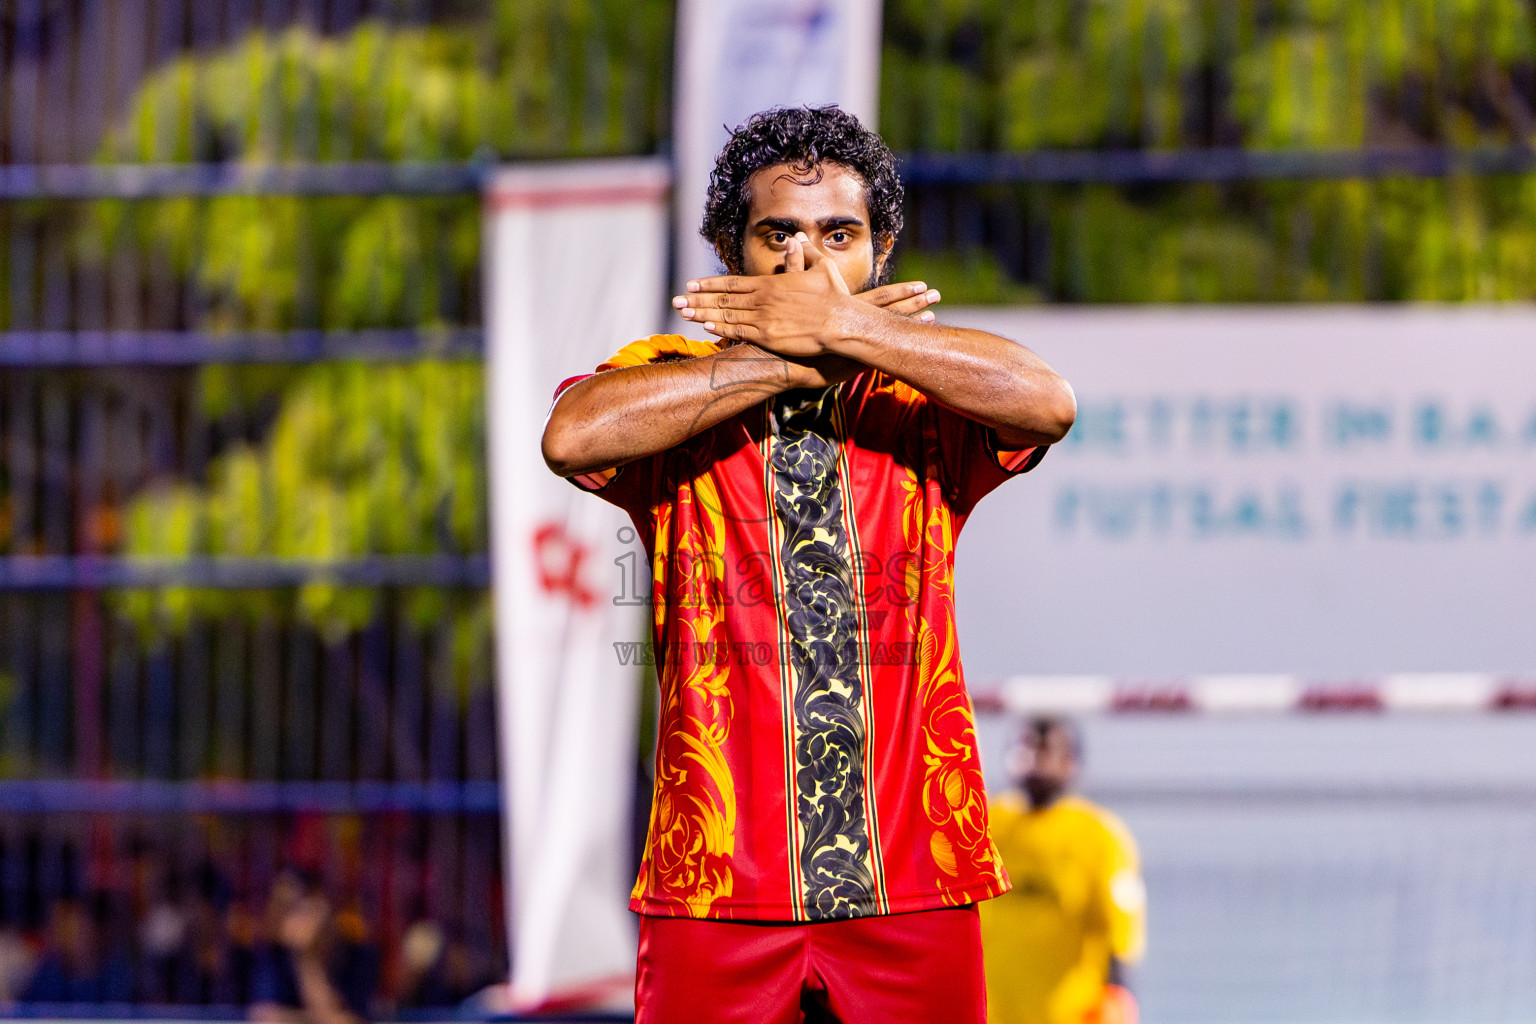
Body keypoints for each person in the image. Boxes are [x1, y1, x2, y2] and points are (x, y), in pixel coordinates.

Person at [542, 105, 1076, 1023]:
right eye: (776, 236)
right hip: (714, 886)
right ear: (726, 252)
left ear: (883, 250)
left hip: (917, 879)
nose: (806, 265)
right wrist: (791, 361)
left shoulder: (918, 398)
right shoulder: (667, 381)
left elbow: (1048, 402)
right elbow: (572, 434)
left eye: (839, 235)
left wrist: (854, 336)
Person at [980, 718, 1146, 1024]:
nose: (1037, 762)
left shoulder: (1099, 836)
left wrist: (1119, 998)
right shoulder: (986, 825)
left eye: (1049, 751)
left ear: (1072, 761)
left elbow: (1120, 934)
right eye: (1029, 749)